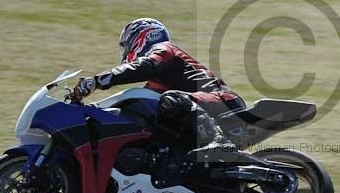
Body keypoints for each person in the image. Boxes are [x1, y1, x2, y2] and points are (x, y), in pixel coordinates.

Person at [73, 18, 244, 163]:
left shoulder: (165, 49)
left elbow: (146, 66)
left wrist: (99, 80)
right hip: (202, 107)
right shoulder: (157, 83)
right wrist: (89, 111)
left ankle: (219, 142)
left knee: (170, 98)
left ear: (140, 38)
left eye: (127, 46)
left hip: (223, 102)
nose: (126, 52)